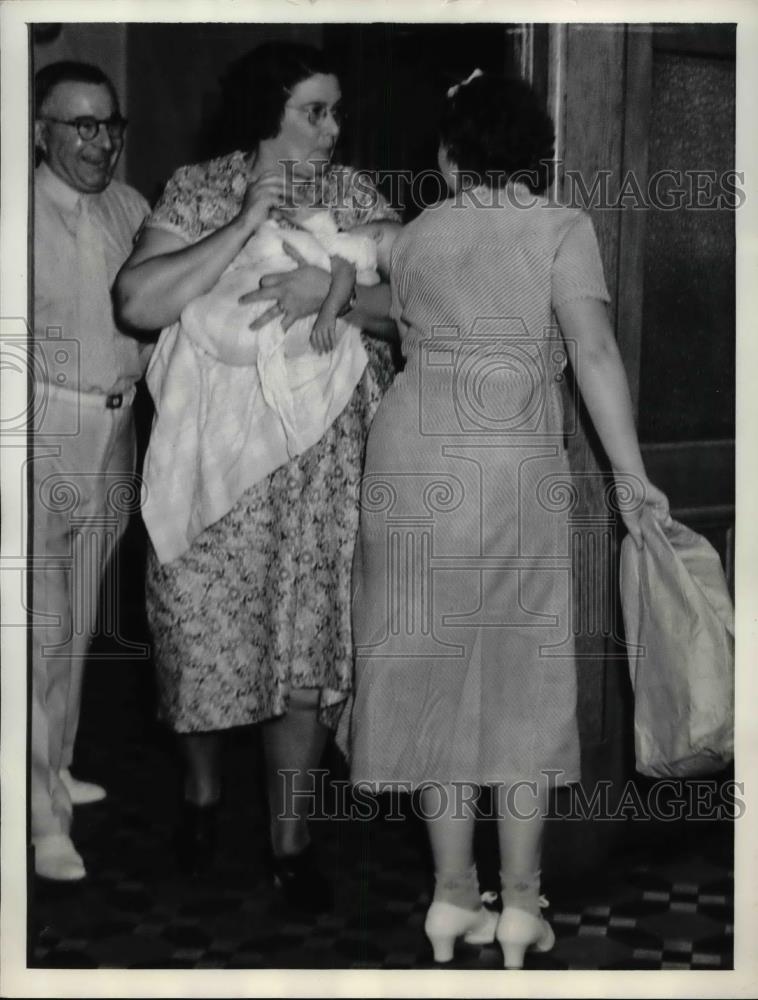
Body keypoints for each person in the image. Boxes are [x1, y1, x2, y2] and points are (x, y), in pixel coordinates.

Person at [344, 71, 671, 966]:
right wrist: (631, 476)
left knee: (429, 677)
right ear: (539, 155)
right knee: (520, 680)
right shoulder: (559, 228)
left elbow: (398, 325)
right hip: (509, 465)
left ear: (449, 160)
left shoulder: (413, 240)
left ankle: (452, 900)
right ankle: (523, 904)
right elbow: (595, 351)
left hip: (409, 465)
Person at [114, 42, 399, 906]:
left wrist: (334, 289)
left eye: (337, 109)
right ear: (266, 111)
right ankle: (202, 796)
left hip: (318, 470)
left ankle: (291, 836)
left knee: (304, 655)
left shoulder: (352, 195)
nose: (333, 127)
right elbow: (137, 303)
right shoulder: (201, 187)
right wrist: (241, 222)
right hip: (209, 465)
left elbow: (419, 304)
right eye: (315, 110)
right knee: (197, 639)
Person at [32, 60, 151, 881]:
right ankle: (45, 822)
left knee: (75, 622)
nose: (98, 142)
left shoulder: (132, 206)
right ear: (41, 131)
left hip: (116, 431)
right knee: (39, 629)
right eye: (80, 125)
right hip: (38, 427)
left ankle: (55, 763)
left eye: (108, 125)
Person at [142, 204, 399, 565]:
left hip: (317, 460)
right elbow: (306, 218)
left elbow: (362, 288)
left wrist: (329, 308)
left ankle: (214, 329)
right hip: (252, 288)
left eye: (376, 232)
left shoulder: (354, 247)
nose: (364, 229)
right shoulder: (332, 234)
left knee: (224, 325)